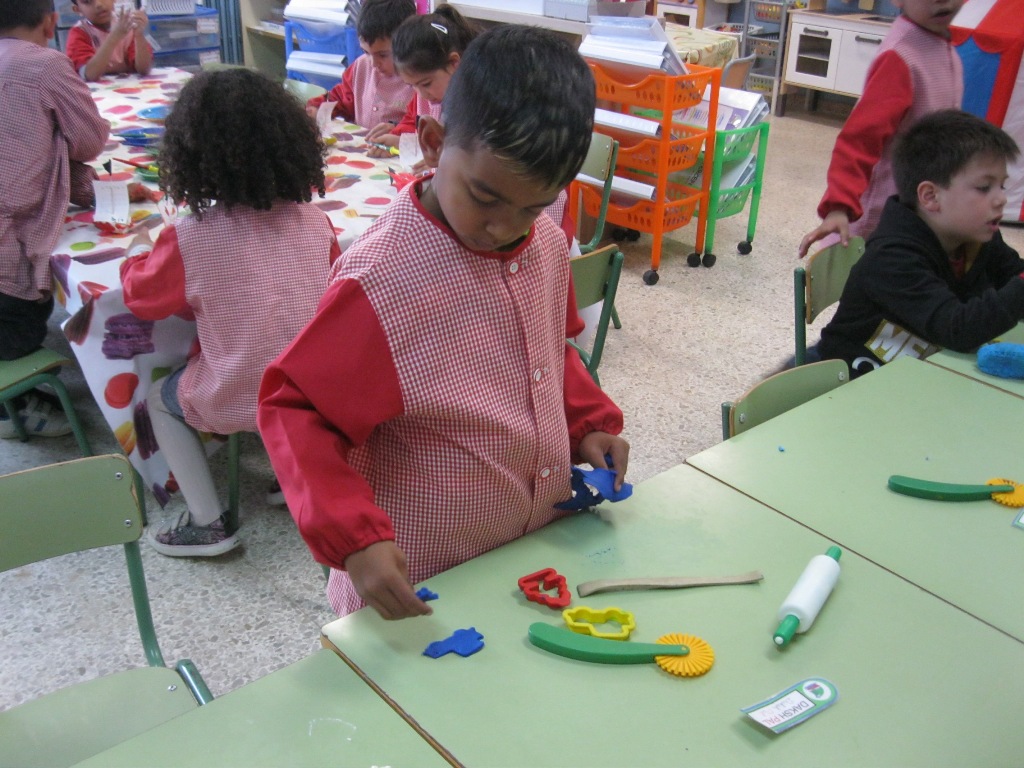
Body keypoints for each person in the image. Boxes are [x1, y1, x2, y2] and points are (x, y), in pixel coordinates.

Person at [259, 25, 630, 620]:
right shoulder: (383, 279)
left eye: (534, 205)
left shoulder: (545, 243)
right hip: (425, 580)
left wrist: (588, 422)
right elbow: (297, 410)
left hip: (527, 557)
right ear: (433, 144)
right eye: (484, 197)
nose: (505, 226)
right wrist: (355, 536)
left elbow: (546, 352)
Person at [121, 69, 340, 556]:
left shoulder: (188, 236)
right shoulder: (316, 220)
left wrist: (138, 249)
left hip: (238, 393)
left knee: (160, 397)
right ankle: (291, 474)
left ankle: (206, 522)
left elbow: (141, 297)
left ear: (190, 155)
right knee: (281, 346)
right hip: (314, 390)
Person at [814, 109, 1024, 378]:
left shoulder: (978, 239)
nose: (1001, 199)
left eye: (1002, 186)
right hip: (850, 383)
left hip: (922, 373)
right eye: (984, 187)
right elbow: (957, 330)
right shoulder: (891, 258)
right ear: (930, 196)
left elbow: (1013, 278)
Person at [0, 0, 109, 439]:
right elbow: (88, 140)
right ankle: (10, 406)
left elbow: (38, 152)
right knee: (23, 316)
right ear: (51, 22)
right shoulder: (44, 65)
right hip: (8, 242)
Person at [798, 0, 964, 258]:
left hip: (913, 213)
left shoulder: (944, 49)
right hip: (872, 222)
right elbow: (859, 139)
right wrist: (839, 206)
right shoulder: (901, 57)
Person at [363, 3, 477, 160]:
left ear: (454, 63)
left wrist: (440, 159)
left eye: (426, 84)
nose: (421, 94)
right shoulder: (423, 96)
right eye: (412, 86)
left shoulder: (475, 102)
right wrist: (400, 141)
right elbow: (412, 122)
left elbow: (475, 156)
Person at [304, 0, 415, 130]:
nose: (373, 64)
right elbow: (342, 99)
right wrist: (319, 108)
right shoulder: (361, 66)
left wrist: (397, 131)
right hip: (362, 142)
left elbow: (422, 126)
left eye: (383, 55)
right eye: (366, 52)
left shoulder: (419, 80)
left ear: (407, 43)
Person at [65, 0, 152, 82]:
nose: (98, 4)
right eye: (87, 1)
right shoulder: (79, 32)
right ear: (78, 9)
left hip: (130, 86)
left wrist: (139, 35)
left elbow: (144, 70)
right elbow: (90, 74)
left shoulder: (126, 24)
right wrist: (114, 37)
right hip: (94, 91)